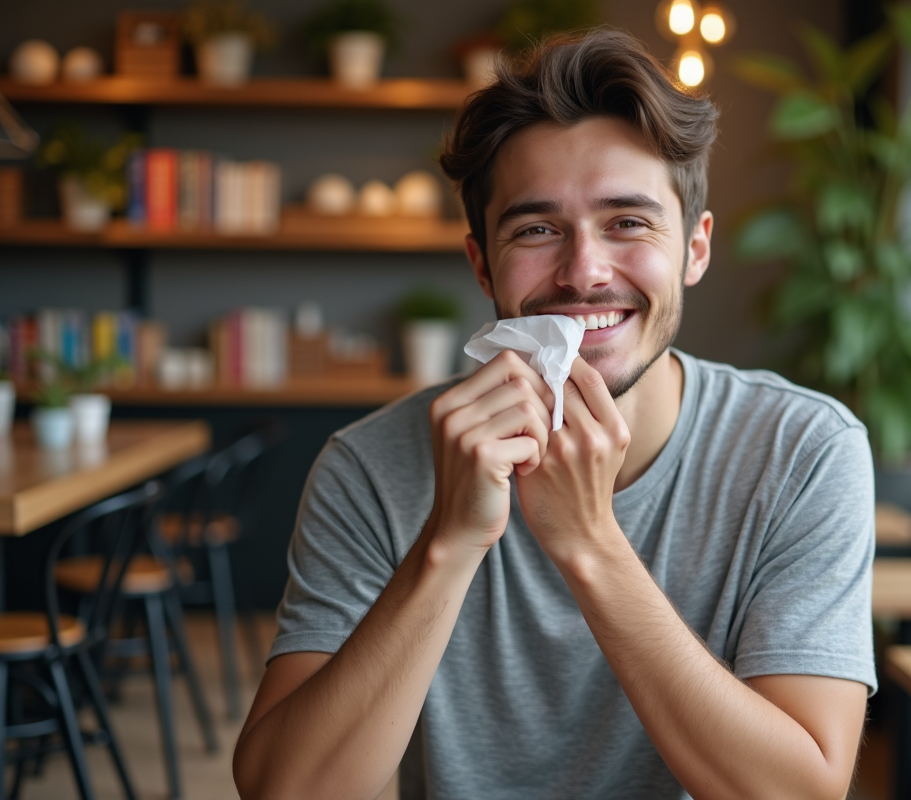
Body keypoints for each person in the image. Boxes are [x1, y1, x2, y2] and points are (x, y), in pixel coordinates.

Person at [233, 28, 875, 800]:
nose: (584, 272)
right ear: (481, 264)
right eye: (537, 230)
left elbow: (802, 794)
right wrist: (448, 541)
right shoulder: (369, 465)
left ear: (695, 251)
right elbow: (287, 792)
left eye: (629, 223)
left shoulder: (803, 451)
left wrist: (590, 543)